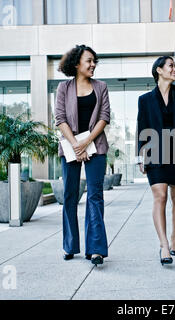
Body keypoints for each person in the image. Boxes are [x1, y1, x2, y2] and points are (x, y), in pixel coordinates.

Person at [136, 56, 175, 266]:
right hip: (155, 152)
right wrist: (140, 155)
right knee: (160, 196)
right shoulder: (145, 100)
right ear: (159, 71)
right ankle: (164, 245)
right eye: (171, 66)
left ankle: (174, 236)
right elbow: (141, 127)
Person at [54, 45, 110, 266]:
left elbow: (105, 116)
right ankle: (70, 245)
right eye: (89, 61)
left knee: (95, 196)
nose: (93, 64)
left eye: (94, 61)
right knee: (70, 195)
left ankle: (96, 249)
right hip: (70, 147)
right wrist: (76, 144)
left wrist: (86, 142)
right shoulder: (63, 88)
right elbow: (60, 118)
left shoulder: (101, 87)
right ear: (77, 63)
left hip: (96, 147)